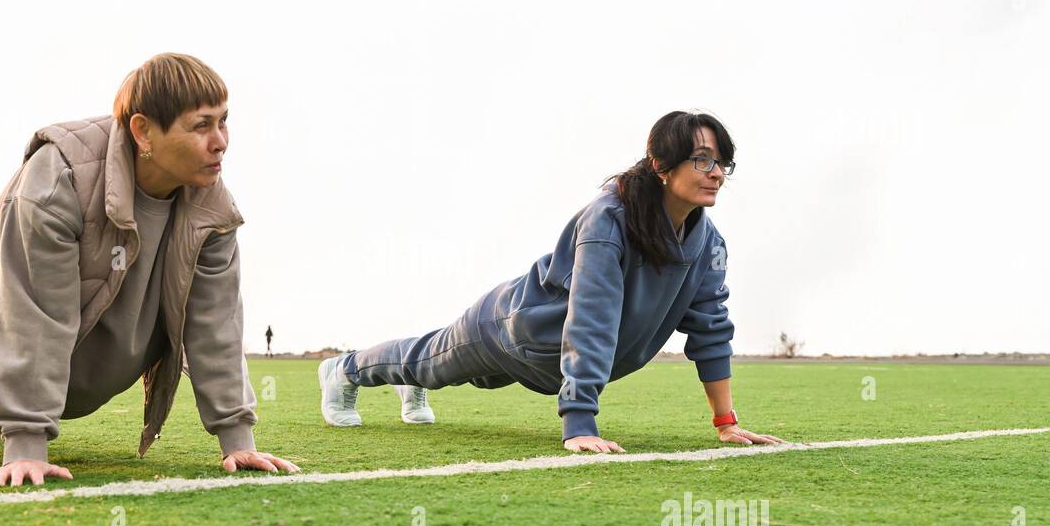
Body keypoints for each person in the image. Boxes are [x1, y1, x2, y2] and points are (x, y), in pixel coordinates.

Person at [0, 53, 297, 484]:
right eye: (201, 127)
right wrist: (26, 444)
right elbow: (33, 310)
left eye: (224, 123)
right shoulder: (60, 178)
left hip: (78, 368)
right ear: (142, 131)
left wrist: (238, 442)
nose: (220, 143)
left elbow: (215, 322)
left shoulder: (212, 208)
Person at [319, 110, 783, 451]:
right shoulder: (607, 221)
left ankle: (411, 382)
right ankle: (342, 369)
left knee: (458, 378)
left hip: (549, 365)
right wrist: (579, 424)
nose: (718, 174)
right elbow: (592, 319)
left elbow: (710, 327)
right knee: (428, 362)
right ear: (662, 166)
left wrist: (726, 421)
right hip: (511, 330)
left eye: (723, 163)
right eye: (703, 160)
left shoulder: (708, 243)